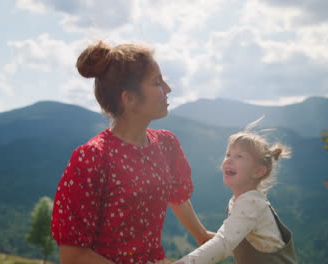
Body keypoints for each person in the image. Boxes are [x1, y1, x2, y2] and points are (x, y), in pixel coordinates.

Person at [51, 41, 214, 264]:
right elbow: (73, 255)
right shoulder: (92, 158)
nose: (168, 89)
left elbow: (175, 196)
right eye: (157, 83)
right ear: (128, 99)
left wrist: (201, 234)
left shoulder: (166, 144)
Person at [173, 122, 297, 264]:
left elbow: (224, 243)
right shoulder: (241, 201)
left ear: (258, 171)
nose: (229, 160)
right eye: (228, 154)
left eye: (239, 156)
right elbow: (238, 242)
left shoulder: (251, 203)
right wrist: (209, 237)